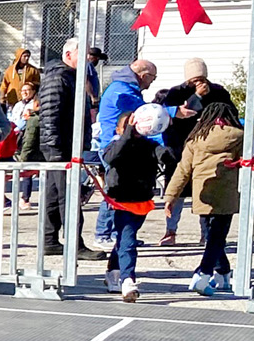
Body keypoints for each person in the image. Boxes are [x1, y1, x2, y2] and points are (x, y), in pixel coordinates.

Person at [164, 101, 244, 296]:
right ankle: (203, 274)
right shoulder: (240, 136)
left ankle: (223, 274)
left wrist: (171, 196)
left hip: (203, 192)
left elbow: (183, 170)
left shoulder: (196, 138)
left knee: (211, 235)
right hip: (226, 194)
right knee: (217, 237)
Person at [153, 58, 235, 246]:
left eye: (201, 79)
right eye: (194, 79)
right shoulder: (175, 93)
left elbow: (230, 113)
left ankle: (206, 233)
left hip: (208, 149)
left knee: (205, 191)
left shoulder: (218, 92)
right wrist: (196, 97)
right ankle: (170, 231)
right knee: (177, 191)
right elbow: (176, 116)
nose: (198, 82)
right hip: (180, 148)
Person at [37, 39, 106, 260]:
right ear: (68, 55)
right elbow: (50, 114)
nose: (88, 59)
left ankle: (49, 240)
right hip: (59, 147)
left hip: (67, 145)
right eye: (83, 54)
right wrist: (55, 148)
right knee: (69, 194)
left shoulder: (72, 77)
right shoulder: (58, 78)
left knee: (54, 193)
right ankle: (75, 244)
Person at [99, 105, 171, 302]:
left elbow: (167, 157)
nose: (134, 128)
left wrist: (168, 134)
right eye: (128, 125)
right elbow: (110, 158)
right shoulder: (115, 144)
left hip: (141, 201)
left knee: (124, 240)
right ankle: (128, 280)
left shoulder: (148, 145)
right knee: (128, 241)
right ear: (118, 129)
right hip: (121, 201)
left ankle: (113, 271)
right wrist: (128, 133)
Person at [92, 59, 158, 248]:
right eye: (152, 78)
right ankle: (103, 234)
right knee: (113, 190)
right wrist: (171, 111)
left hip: (124, 146)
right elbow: (141, 110)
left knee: (124, 190)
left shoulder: (127, 87)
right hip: (113, 147)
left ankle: (119, 234)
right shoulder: (121, 89)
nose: (152, 82)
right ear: (144, 75)